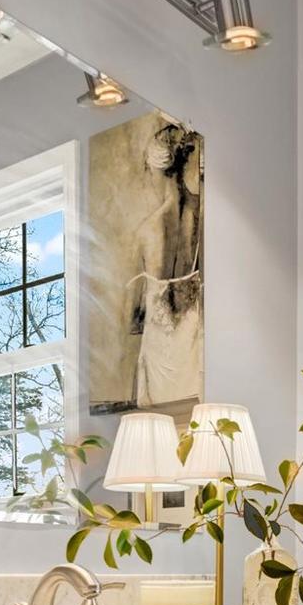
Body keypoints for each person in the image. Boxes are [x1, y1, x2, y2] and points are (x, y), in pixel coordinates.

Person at [127, 119, 204, 406]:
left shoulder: (147, 230)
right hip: (192, 354)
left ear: (154, 171)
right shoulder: (201, 216)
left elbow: (137, 318)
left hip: (159, 354)